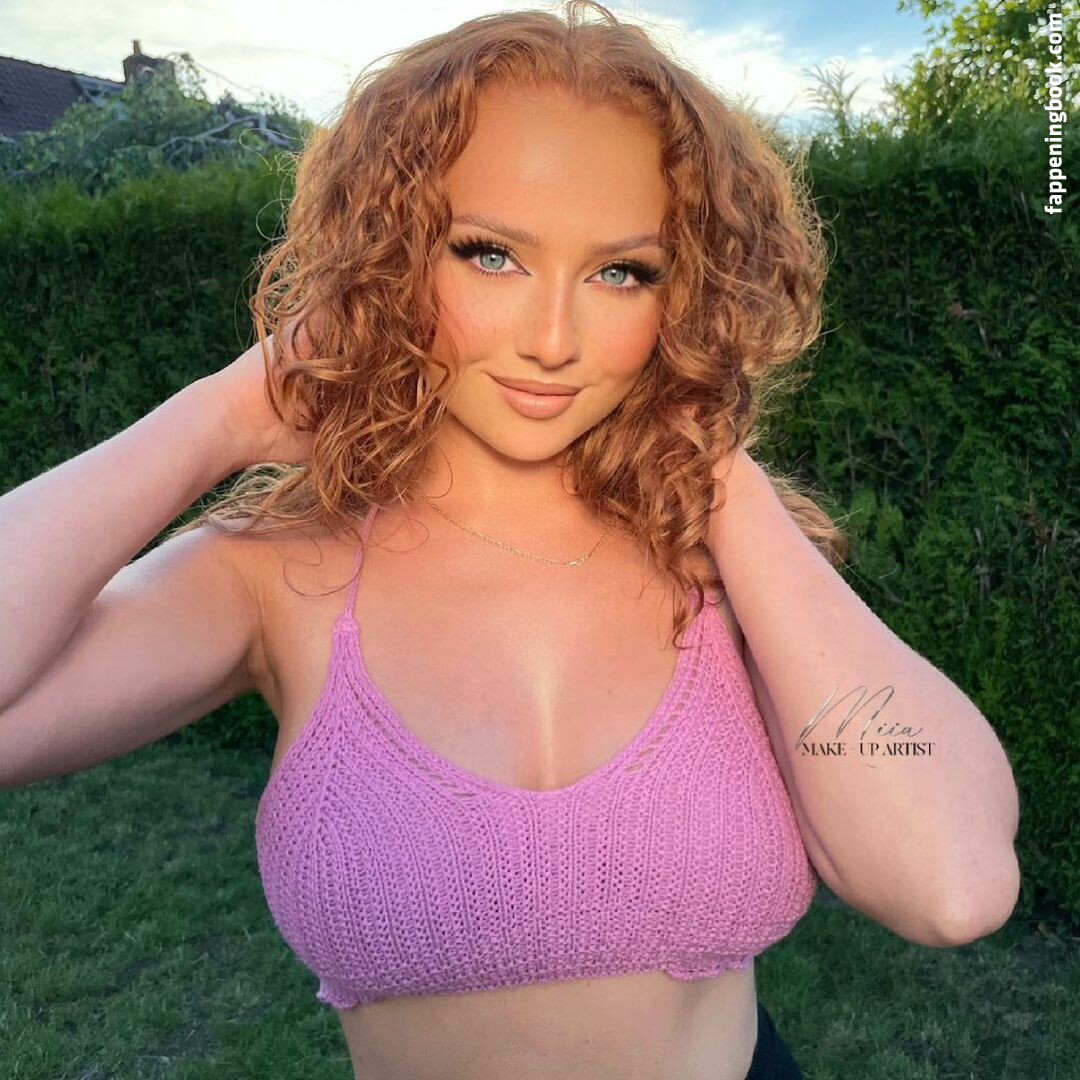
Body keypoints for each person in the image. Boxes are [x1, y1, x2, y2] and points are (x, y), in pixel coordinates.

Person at [0, 3, 1021, 1078]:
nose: (553, 339)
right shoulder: (275, 571)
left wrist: (723, 475)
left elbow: (951, 887)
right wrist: (220, 417)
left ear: (687, 296)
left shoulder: (723, 561)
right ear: (392, 257)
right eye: (490, 255)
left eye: (624, 273)